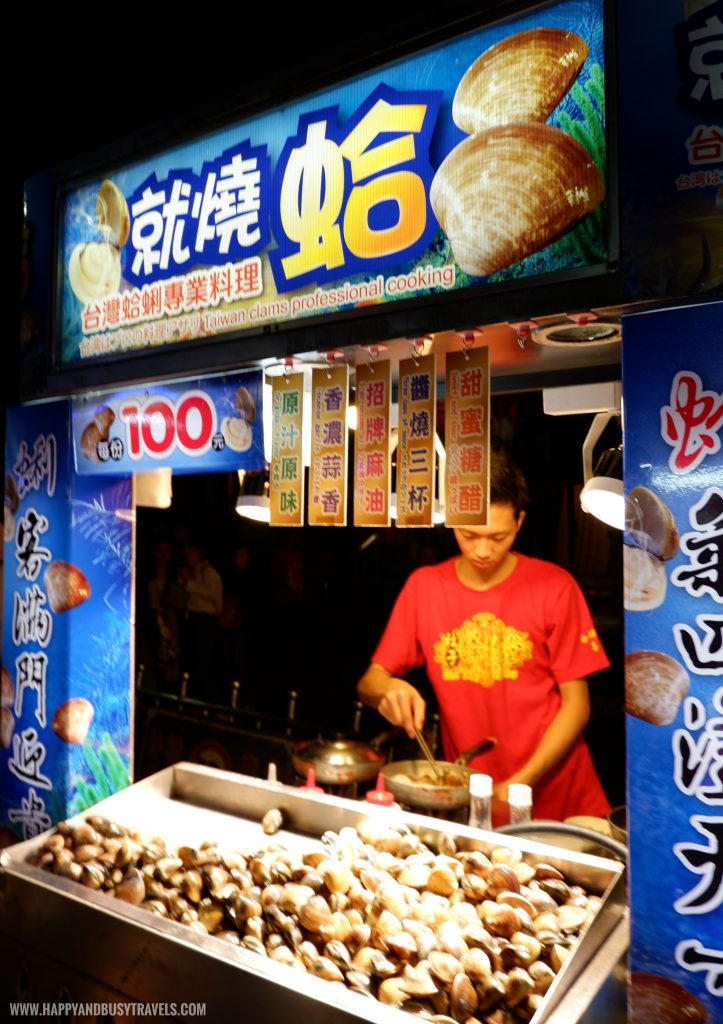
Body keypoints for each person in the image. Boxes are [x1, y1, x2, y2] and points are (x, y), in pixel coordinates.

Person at [357, 450, 610, 822]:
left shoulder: (555, 588)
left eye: (497, 536)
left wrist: (521, 782)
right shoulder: (424, 588)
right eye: (468, 533)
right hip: (471, 799)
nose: (482, 550)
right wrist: (389, 691)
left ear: (520, 521)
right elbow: (370, 681)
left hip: (563, 800)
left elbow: (578, 706)